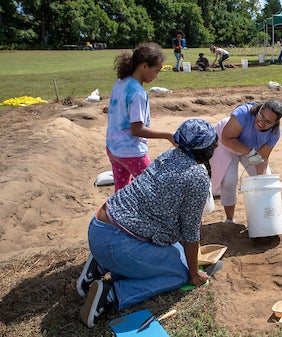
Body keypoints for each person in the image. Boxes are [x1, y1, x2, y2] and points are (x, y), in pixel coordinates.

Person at [77, 119, 219, 328]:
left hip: (100, 227)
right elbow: (190, 231)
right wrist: (193, 272)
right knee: (179, 273)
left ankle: (100, 263)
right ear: (203, 148)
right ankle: (111, 295)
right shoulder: (196, 176)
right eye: (212, 143)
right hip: (118, 243)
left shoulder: (170, 156)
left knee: (175, 252)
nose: (216, 146)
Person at [106, 42, 176, 192]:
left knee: (122, 192)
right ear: (144, 66)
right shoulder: (137, 92)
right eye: (156, 71)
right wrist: (168, 135)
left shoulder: (120, 83)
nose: (156, 76)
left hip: (113, 148)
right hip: (131, 152)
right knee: (156, 188)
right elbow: (136, 129)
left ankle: (120, 214)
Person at [209, 100, 282, 224]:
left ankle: (266, 218)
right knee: (229, 180)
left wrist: (261, 180)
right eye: (261, 116)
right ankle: (229, 220)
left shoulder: (274, 133)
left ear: (275, 123)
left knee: (265, 181)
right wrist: (250, 152)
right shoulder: (243, 113)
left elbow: (263, 157)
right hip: (225, 144)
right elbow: (227, 138)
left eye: (268, 122)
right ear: (259, 110)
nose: (262, 123)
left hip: (249, 148)